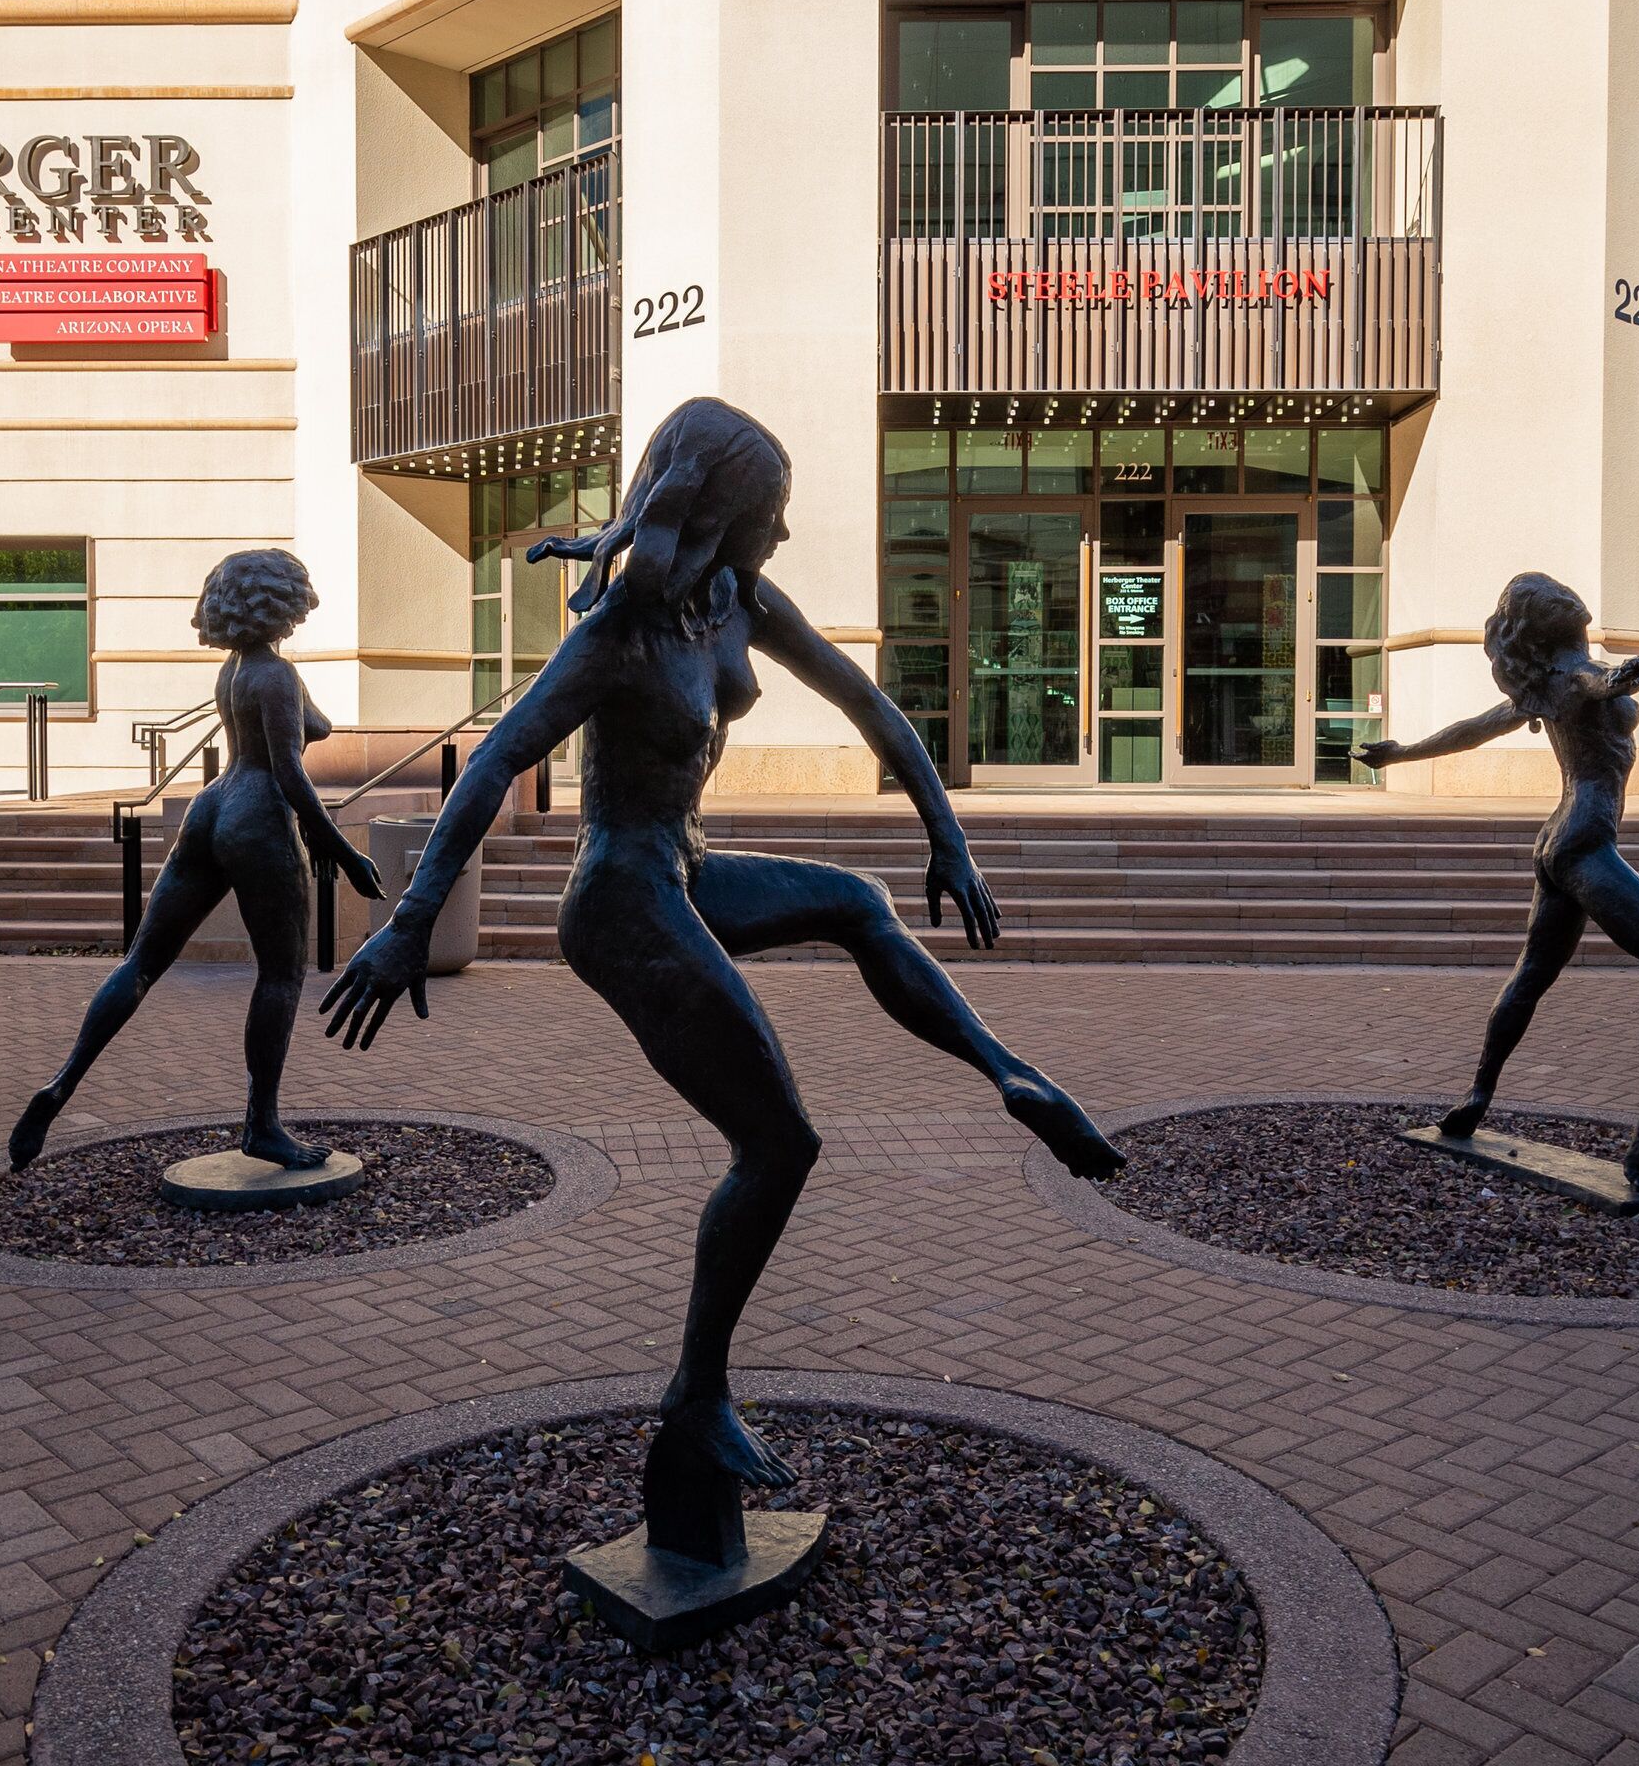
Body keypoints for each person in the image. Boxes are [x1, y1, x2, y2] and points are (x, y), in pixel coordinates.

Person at [323, 399, 1122, 1511]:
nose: (784, 535)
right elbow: (496, 761)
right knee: (779, 1142)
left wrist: (949, 833)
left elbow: (872, 707)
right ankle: (697, 1397)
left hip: (685, 867)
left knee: (856, 900)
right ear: (721, 510)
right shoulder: (618, 636)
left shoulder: (738, 602)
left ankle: (1008, 1074)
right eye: (773, 514)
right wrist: (411, 919)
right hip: (619, 896)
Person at [7, 548, 383, 1173]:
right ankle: (261, 1125)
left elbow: (304, 726)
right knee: (281, 976)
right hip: (258, 815)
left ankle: (63, 1081)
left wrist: (304, 711)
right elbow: (291, 772)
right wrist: (345, 852)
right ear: (281, 602)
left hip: (209, 809)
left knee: (144, 961)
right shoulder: (276, 676)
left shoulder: (236, 673)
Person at [1359, 572, 1639, 1193]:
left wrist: (1401, 752)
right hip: (1583, 844)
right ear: (1561, 625)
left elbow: (1473, 727)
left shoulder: (1545, 686)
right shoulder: (1575, 677)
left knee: (1532, 975)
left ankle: (1477, 1096)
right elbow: (1600, 680)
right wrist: (1625, 677)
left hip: (1557, 842)